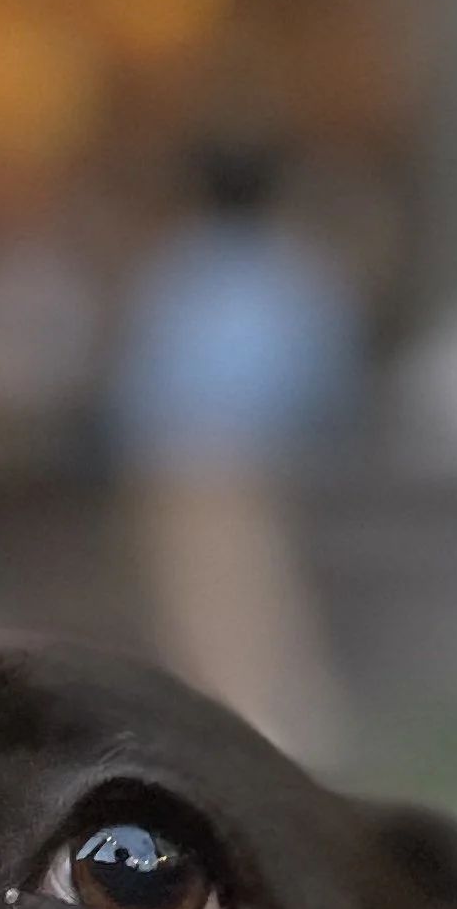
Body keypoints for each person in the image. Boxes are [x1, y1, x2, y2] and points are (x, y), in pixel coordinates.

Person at [111, 138, 359, 767]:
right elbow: (322, 372)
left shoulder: (178, 270)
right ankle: (282, 720)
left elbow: (144, 373)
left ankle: (254, 724)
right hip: (263, 454)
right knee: (260, 590)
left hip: (186, 453)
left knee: (211, 599)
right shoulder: (296, 271)